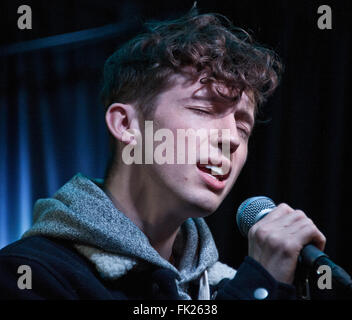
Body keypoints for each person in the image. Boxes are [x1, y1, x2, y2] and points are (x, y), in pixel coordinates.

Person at [0, 8, 326, 300]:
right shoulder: (29, 275)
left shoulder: (223, 288)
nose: (231, 138)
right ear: (126, 124)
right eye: (203, 109)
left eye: (243, 126)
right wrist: (260, 283)